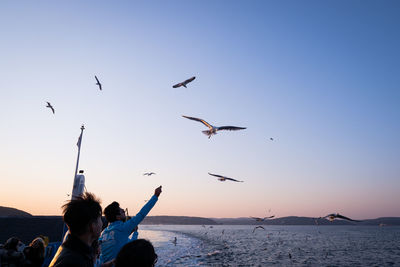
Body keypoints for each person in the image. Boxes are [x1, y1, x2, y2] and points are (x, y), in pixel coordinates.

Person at [99, 186, 162, 264]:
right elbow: (141, 214)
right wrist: (155, 196)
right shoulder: (122, 228)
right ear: (117, 217)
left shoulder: (103, 233)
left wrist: (134, 232)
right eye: (121, 211)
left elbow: (124, 243)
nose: (123, 210)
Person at [49, 192, 103, 267]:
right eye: (100, 218)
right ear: (92, 226)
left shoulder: (70, 251)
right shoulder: (75, 262)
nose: (102, 223)